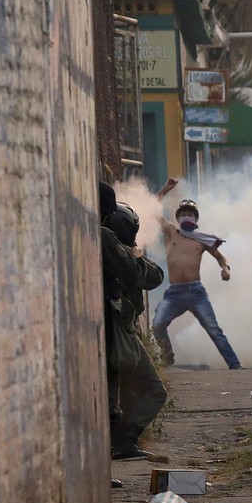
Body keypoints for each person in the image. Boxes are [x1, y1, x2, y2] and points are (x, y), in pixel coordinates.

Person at [100, 182, 168, 460]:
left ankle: (119, 446)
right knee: (146, 390)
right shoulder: (104, 236)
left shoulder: (101, 236)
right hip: (116, 332)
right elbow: (143, 274)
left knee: (115, 399)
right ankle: (122, 443)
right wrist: (134, 256)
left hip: (115, 331)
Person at [152, 178, 242, 370]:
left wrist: (225, 269)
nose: (186, 217)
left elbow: (221, 258)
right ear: (177, 218)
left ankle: (234, 364)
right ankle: (167, 356)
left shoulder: (202, 240)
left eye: (190, 214)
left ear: (196, 218)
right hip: (174, 292)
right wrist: (165, 188)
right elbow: (153, 209)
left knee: (213, 329)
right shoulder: (171, 233)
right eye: (183, 214)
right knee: (158, 324)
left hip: (196, 291)